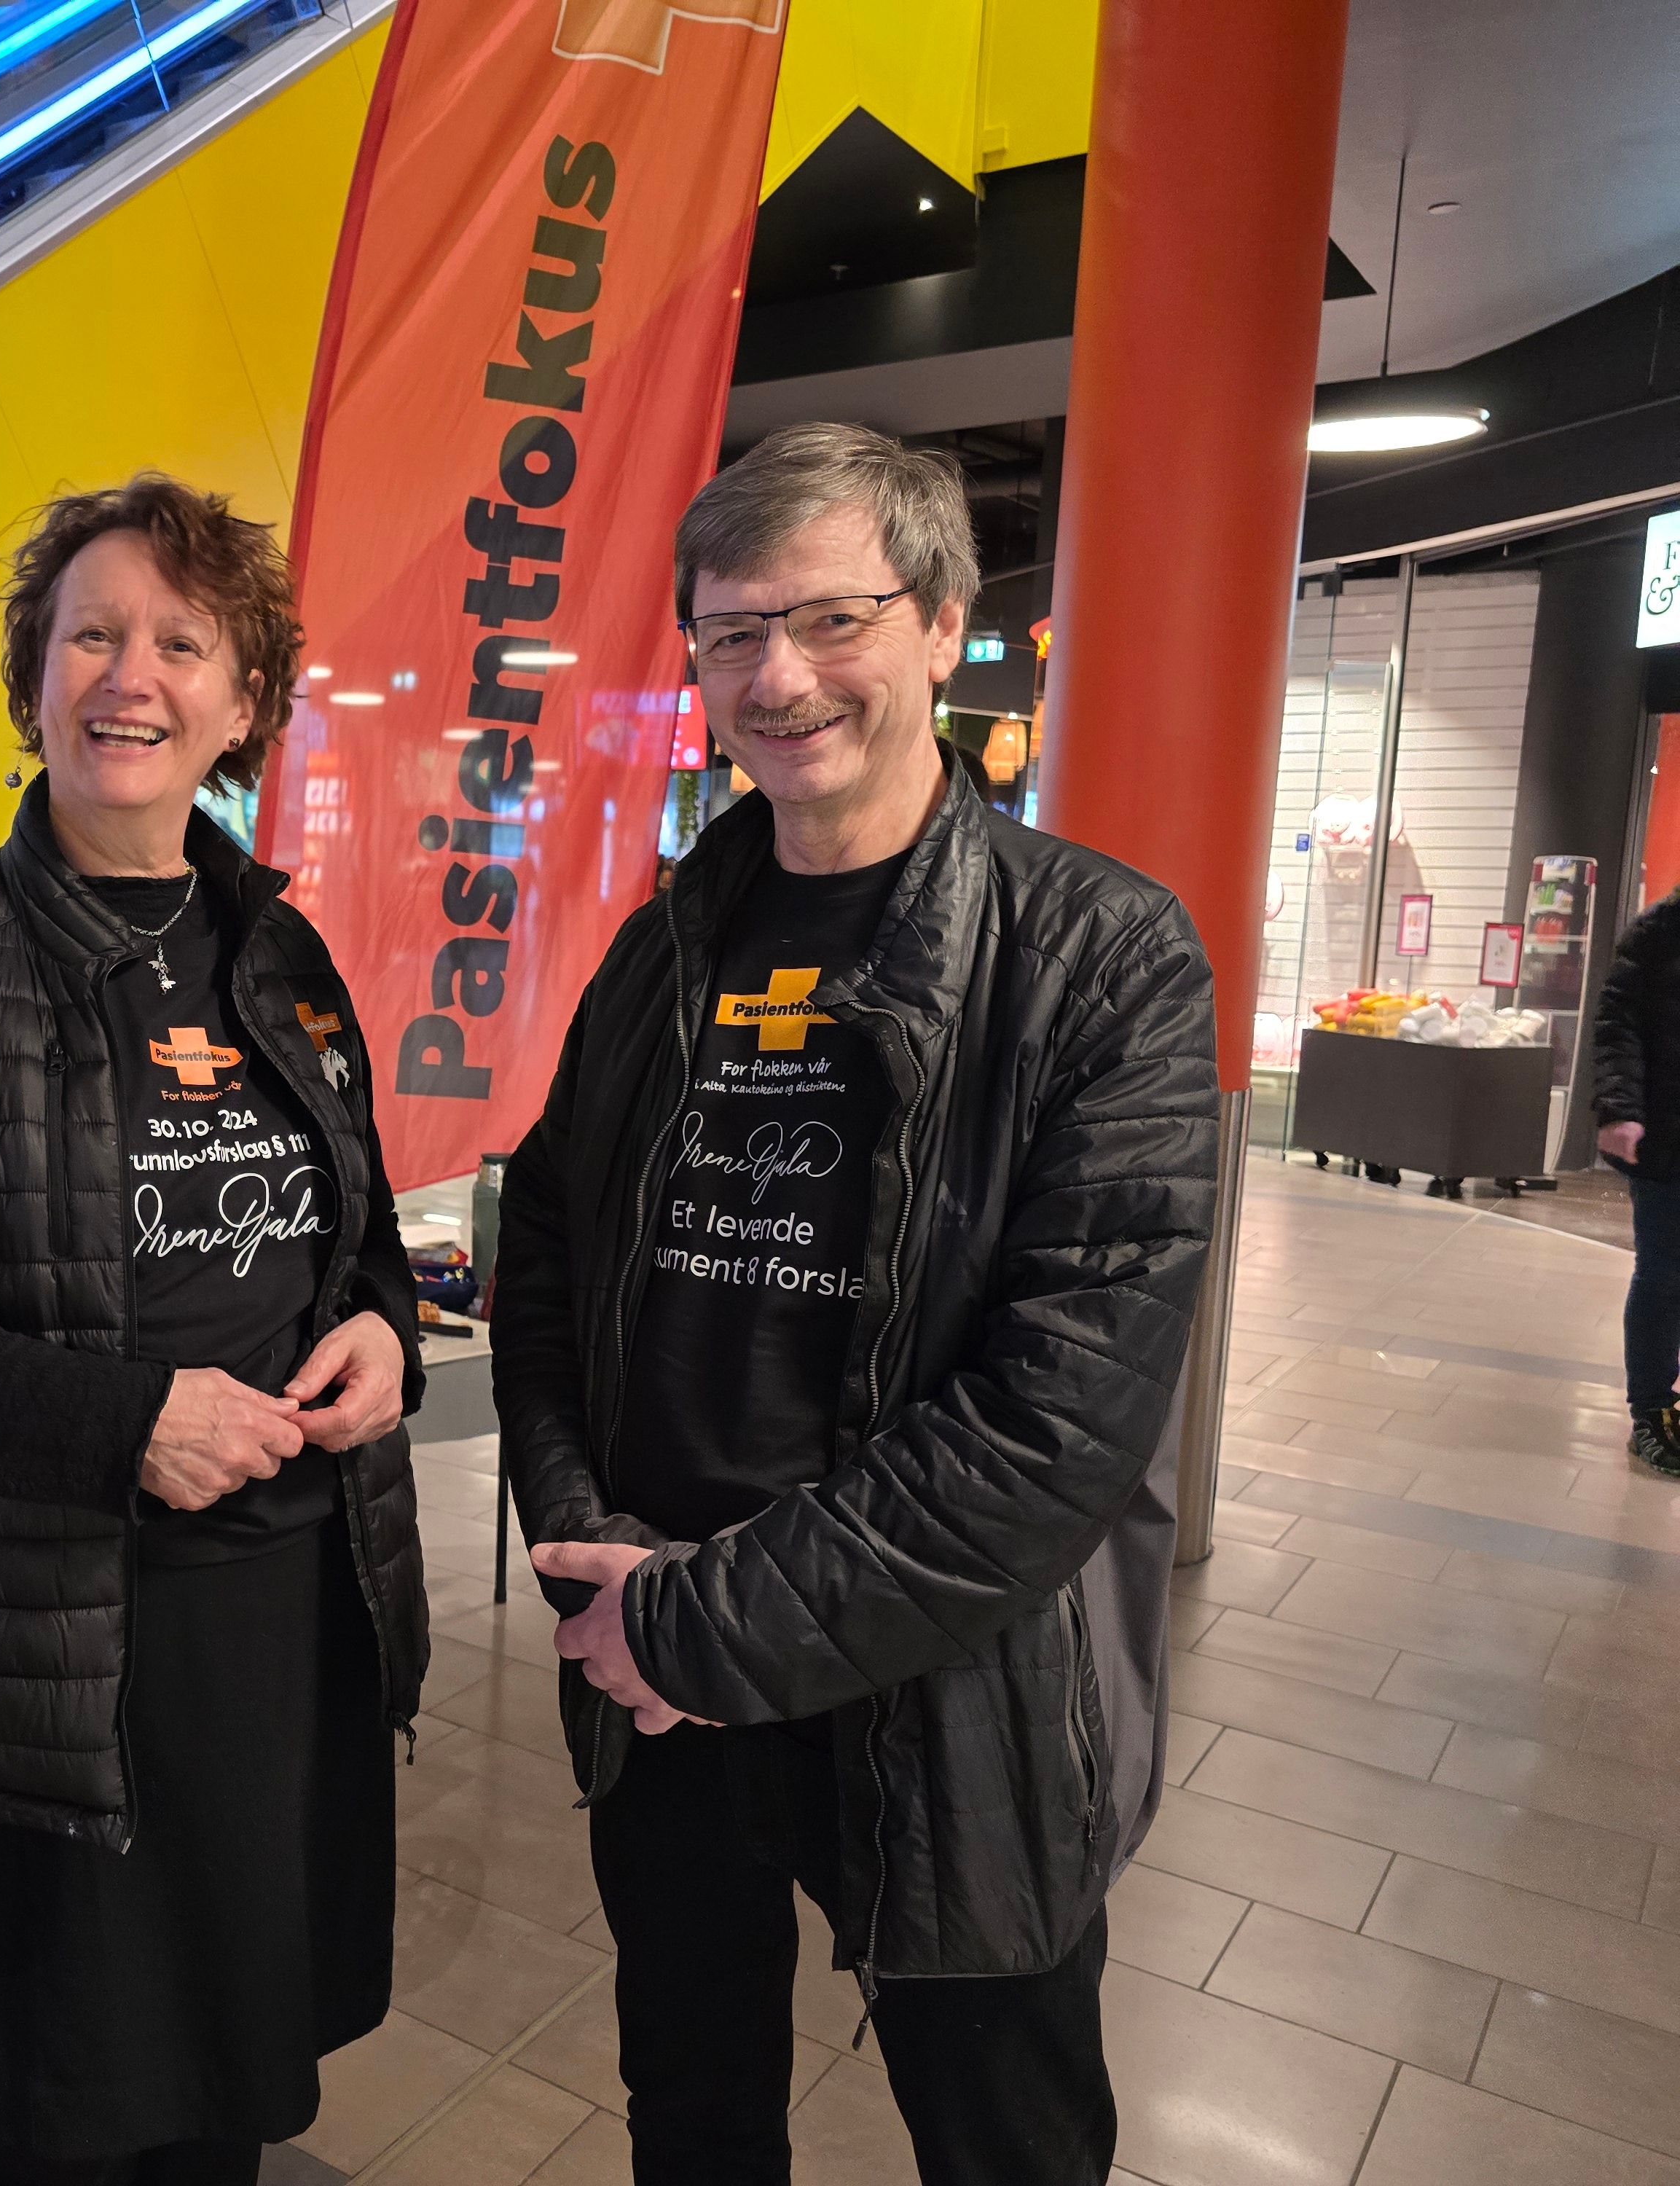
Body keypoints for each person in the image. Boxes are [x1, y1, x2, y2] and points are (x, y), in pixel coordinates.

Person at [495, 423, 1220, 2185]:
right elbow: (547, 1268)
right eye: (732, 633)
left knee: (1003, 2139)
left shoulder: (1101, 955)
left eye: (831, 619)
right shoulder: (662, 947)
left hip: (951, 1692)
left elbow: (1058, 1417)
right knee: (693, 2118)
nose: (778, 677)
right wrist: (595, 1557)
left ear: (944, 623)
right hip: (656, 1670)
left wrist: (696, 1626)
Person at [0, 474, 428, 2185]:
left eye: (181, 644)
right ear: (29, 680)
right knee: (50, 2108)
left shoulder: (282, 953)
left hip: (269, 1626)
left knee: (223, 2094)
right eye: (92, 636)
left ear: (244, 701)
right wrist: (123, 1420)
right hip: (26, 1646)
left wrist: (381, 1332)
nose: (131, 677)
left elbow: (351, 1236)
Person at [1593, 888, 1680, 1476]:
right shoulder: (1658, 936)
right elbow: (1616, 1027)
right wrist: (1620, 1110)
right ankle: (1651, 1411)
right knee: (1664, 1276)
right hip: (1670, 1141)